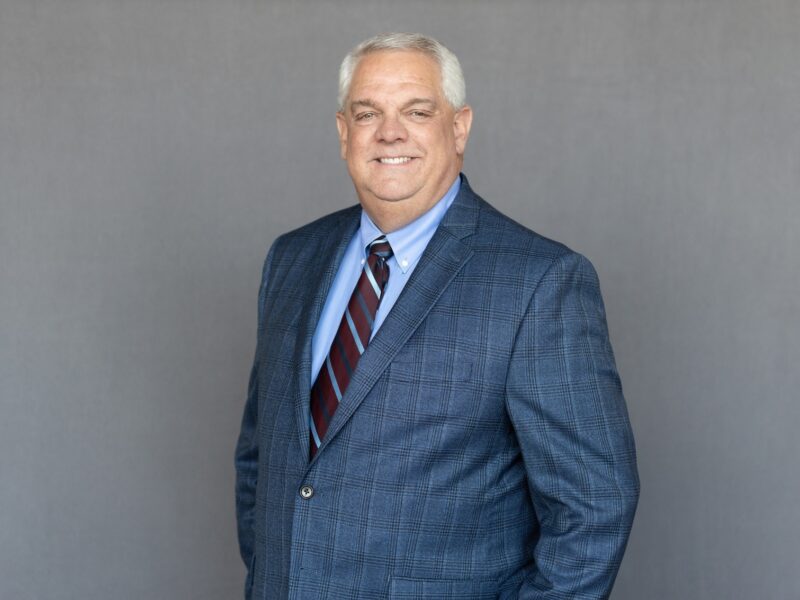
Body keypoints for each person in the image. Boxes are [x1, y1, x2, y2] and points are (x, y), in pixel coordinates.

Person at [235, 32, 639, 600]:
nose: (390, 132)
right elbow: (261, 460)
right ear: (344, 132)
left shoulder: (539, 282)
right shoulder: (292, 258)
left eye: (417, 112)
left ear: (459, 128)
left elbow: (595, 507)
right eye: (367, 113)